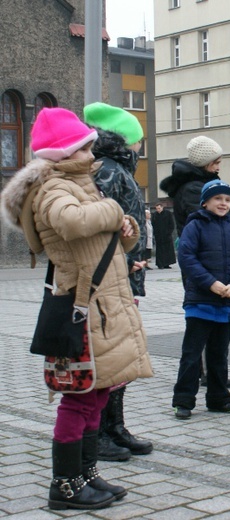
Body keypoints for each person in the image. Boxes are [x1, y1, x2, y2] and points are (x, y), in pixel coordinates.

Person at [0, 107, 153, 510]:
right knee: (80, 396)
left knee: (98, 393)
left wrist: (127, 231)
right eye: (85, 145)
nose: (92, 150)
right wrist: (115, 212)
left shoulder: (80, 182)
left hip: (104, 301)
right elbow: (69, 223)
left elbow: (105, 242)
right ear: (67, 151)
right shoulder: (54, 187)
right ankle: (65, 485)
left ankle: (86, 474)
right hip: (82, 308)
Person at [83, 102, 154, 462]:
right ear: (126, 141)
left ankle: (116, 427)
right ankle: (99, 433)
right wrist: (126, 261)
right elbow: (105, 228)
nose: (142, 146)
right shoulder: (109, 171)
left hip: (127, 276)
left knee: (121, 355)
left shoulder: (117, 168)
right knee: (110, 356)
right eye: (139, 139)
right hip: (113, 279)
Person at [172, 180, 230, 419]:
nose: (223, 203)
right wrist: (211, 283)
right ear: (205, 202)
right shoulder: (195, 225)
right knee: (192, 354)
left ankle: (219, 398)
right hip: (200, 301)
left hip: (226, 302)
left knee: (220, 354)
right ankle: (184, 400)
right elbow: (187, 257)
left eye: (227, 199)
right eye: (218, 199)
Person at [160, 135, 223, 237]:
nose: (218, 168)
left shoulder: (200, 184)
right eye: (216, 163)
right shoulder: (192, 189)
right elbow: (209, 223)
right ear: (205, 162)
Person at [150, 202, 176, 268]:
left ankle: (167, 263)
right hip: (158, 236)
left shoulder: (168, 213)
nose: (158, 210)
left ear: (162, 207)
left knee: (167, 250)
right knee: (159, 251)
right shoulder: (155, 215)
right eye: (157, 209)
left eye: (159, 208)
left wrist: (169, 232)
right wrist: (155, 233)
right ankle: (160, 264)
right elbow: (153, 225)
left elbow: (171, 224)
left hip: (167, 235)